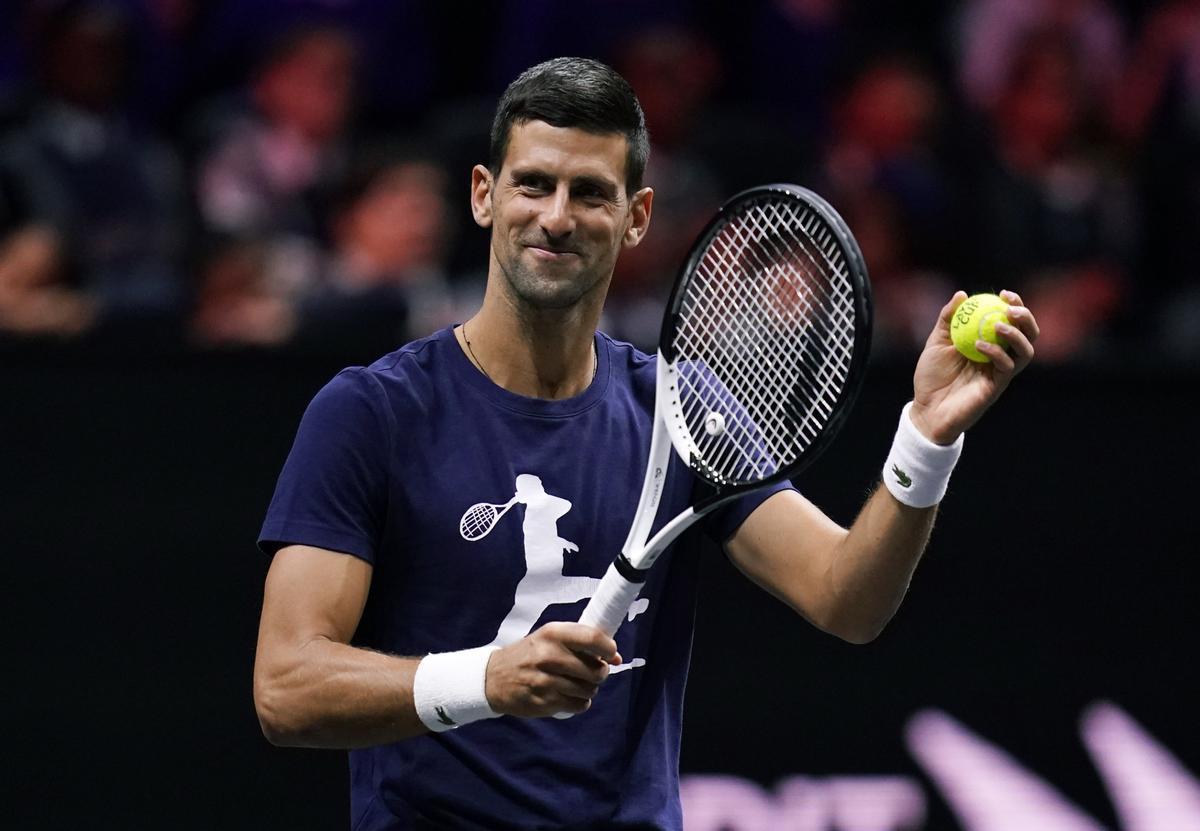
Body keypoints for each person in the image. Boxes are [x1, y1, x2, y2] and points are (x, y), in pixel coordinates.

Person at [252, 57, 1040, 829]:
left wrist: (927, 437)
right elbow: (285, 688)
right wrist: (485, 680)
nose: (557, 217)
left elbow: (847, 599)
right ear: (484, 195)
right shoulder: (371, 412)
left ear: (636, 216)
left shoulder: (682, 409)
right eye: (533, 183)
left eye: (590, 192)